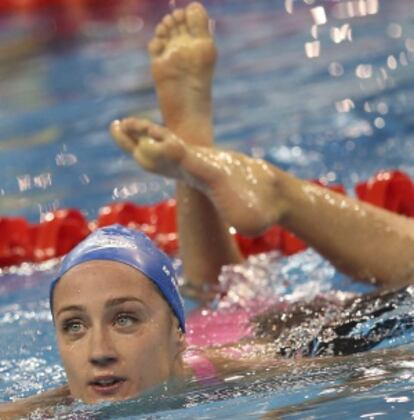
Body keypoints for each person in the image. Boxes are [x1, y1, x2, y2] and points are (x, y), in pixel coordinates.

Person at [2, 1, 414, 417]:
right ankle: (189, 141)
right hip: (198, 323)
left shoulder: (233, 371)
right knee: (215, 288)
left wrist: (292, 409)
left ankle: (279, 193)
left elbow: (383, 366)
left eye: (124, 319)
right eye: (73, 325)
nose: (98, 352)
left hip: (265, 334)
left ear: (178, 337)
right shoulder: (75, 392)